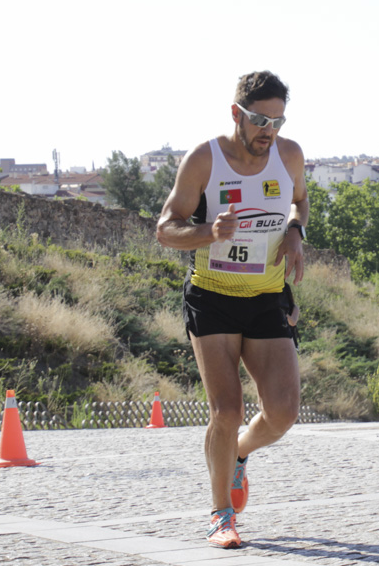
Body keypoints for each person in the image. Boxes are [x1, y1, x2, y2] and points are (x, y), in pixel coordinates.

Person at [156, 71, 308, 549]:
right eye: (261, 120)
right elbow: (165, 228)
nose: (269, 130)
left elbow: (299, 204)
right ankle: (221, 515)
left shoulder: (290, 155)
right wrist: (208, 233)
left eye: (278, 121)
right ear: (237, 114)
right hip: (213, 296)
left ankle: (239, 453)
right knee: (227, 410)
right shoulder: (205, 159)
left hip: (265, 297)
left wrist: (295, 232)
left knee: (283, 412)